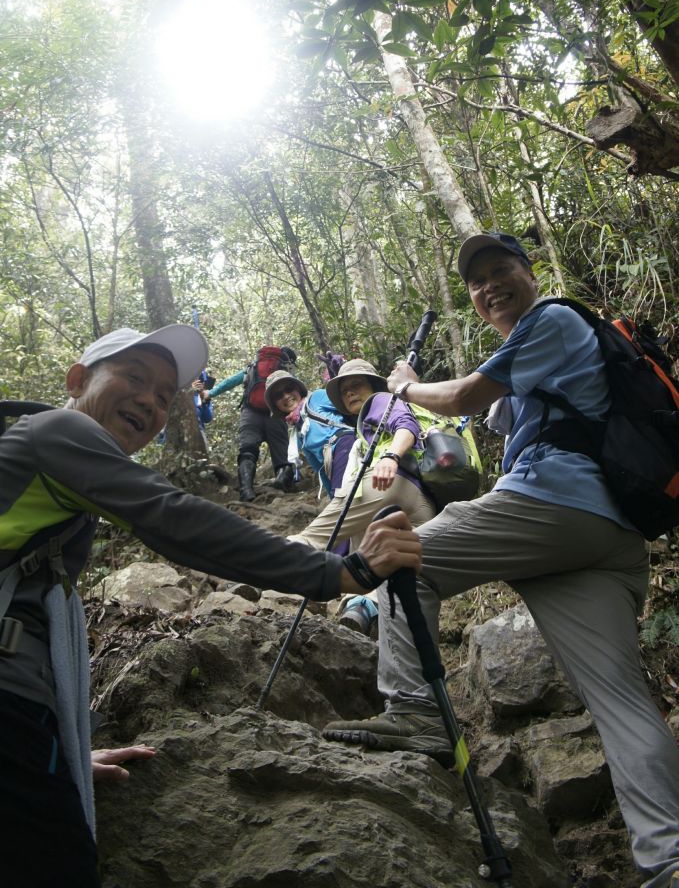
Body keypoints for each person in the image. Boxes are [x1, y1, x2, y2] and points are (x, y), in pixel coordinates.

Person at [0, 323, 421, 888]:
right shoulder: (56, 431)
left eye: (163, 395)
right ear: (77, 380)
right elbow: (172, 517)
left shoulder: (54, 473)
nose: (148, 401)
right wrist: (342, 571)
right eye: (133, 377)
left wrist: (68, 748)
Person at [322, 231, 679, 888]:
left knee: (404, 557)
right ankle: (669, 862)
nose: (490, 287)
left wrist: (405, 386)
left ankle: (416, 712)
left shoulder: (556, 318)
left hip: (556, 503)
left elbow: (459, 400)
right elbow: (499, 418)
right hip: (602, 537)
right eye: (477, 282)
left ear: (528, 271)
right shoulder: (541, 351)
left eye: (500, 270)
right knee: (620, 704)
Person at [291, 358, 439, 633]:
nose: (349, 392)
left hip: (389, 482)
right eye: (344, 389)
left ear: (372, 385)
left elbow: (407, 426)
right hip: (422, 503)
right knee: (381, 557)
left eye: (356, 384)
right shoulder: (367, 427)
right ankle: (362, 608)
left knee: (316, 536)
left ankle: (264, 565)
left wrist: (391, 456)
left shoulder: (379, 401)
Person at [201, 346, 297, 501]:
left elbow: (230, 382)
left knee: (248, 451)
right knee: (282, 456)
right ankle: (284, 485)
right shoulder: (286, 370)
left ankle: (246, 490)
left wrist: (210, 393)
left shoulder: (253, 368)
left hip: (250, 413)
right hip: (276, 415)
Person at [263, 369, 356, 500]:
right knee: (340, 502)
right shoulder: (298, 433)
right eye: (278, 395)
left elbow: (349, 403)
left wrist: (341, 380)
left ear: (298, 389)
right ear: (275, 405)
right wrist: (331, 496)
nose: (285, 396)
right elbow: (321, 470)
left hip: (346, 447)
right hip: (332, 466)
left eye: (289, 388)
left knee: (345, 501)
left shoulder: (316, 398)